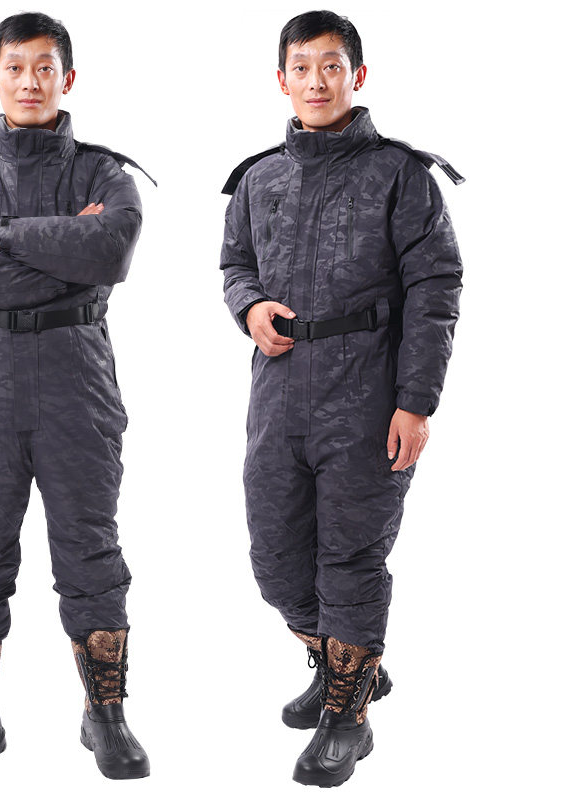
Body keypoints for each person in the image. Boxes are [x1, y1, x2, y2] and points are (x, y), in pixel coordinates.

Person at [219, 9, 463, 788]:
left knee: (351, 558)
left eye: (332, 66)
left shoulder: (401, 175)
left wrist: (416, 402)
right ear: (281, 80)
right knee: (275, 559)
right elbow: (234, 264)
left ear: (357, 75)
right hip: (278, 395)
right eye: (302, 67)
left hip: (366, 393)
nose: (317, 81)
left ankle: (347, 719)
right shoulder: (258, 178)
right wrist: (248, 306)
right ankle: (347, 664)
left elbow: (435, 288)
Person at [0, 11, 154, 782]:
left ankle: (105, 712)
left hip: (77, 375)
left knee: (91, 546)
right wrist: (64, 248)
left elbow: (112, 249)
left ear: (66, 78)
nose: (29, 82)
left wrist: (7, 237)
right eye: (15, 68)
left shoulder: (105, 175)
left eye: (44, 67)